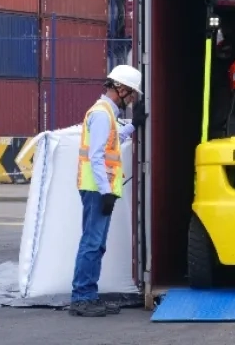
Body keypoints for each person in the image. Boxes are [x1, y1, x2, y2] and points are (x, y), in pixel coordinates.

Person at [70, 65, 148, 318]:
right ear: (121, 89)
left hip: (99, 189)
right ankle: (82, 297)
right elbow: (97, 156)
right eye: (132, 94)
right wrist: (105, 192)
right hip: (97, 189)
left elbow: (112, 142)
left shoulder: (106, 114)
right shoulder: (103, 114)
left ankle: (88, 295)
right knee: (92, 243)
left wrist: (133, 126)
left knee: (96, 244)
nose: (132, 99)